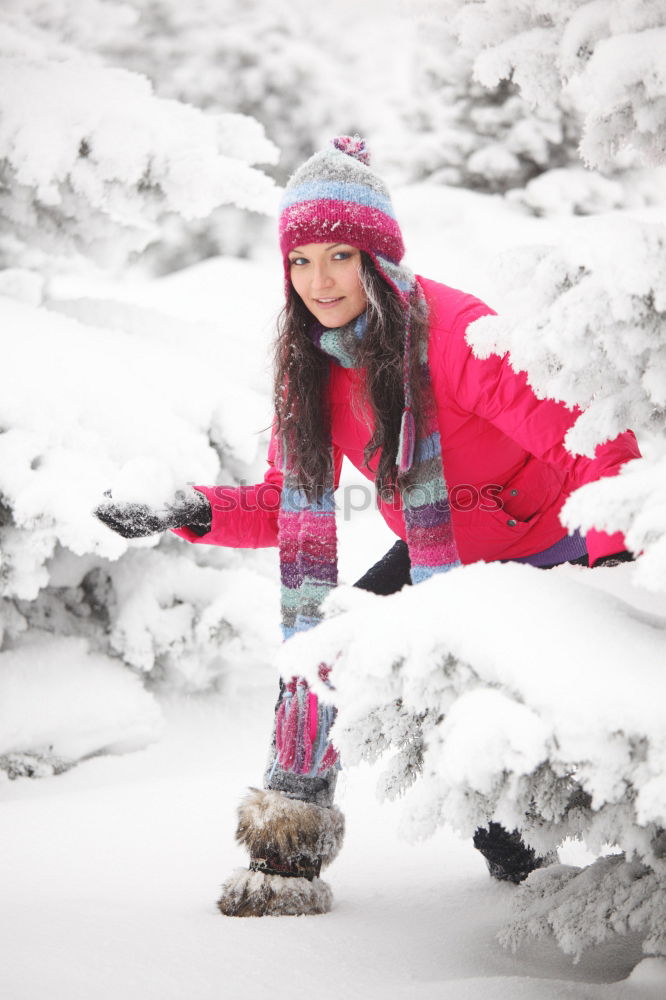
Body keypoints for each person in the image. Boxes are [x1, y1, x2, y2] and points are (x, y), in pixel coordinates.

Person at [95, 135, 639, 918]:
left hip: (557, 549)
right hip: (437, 556)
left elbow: (594, 445)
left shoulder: (456, 336)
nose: (319, 281)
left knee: (488, 720)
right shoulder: (307, 365)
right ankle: (291, 855)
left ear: (377, 258)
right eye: (300, 260)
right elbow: (289, 504)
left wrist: (613, 569)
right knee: (325, 659)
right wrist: (192, 511)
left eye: (340, 255)